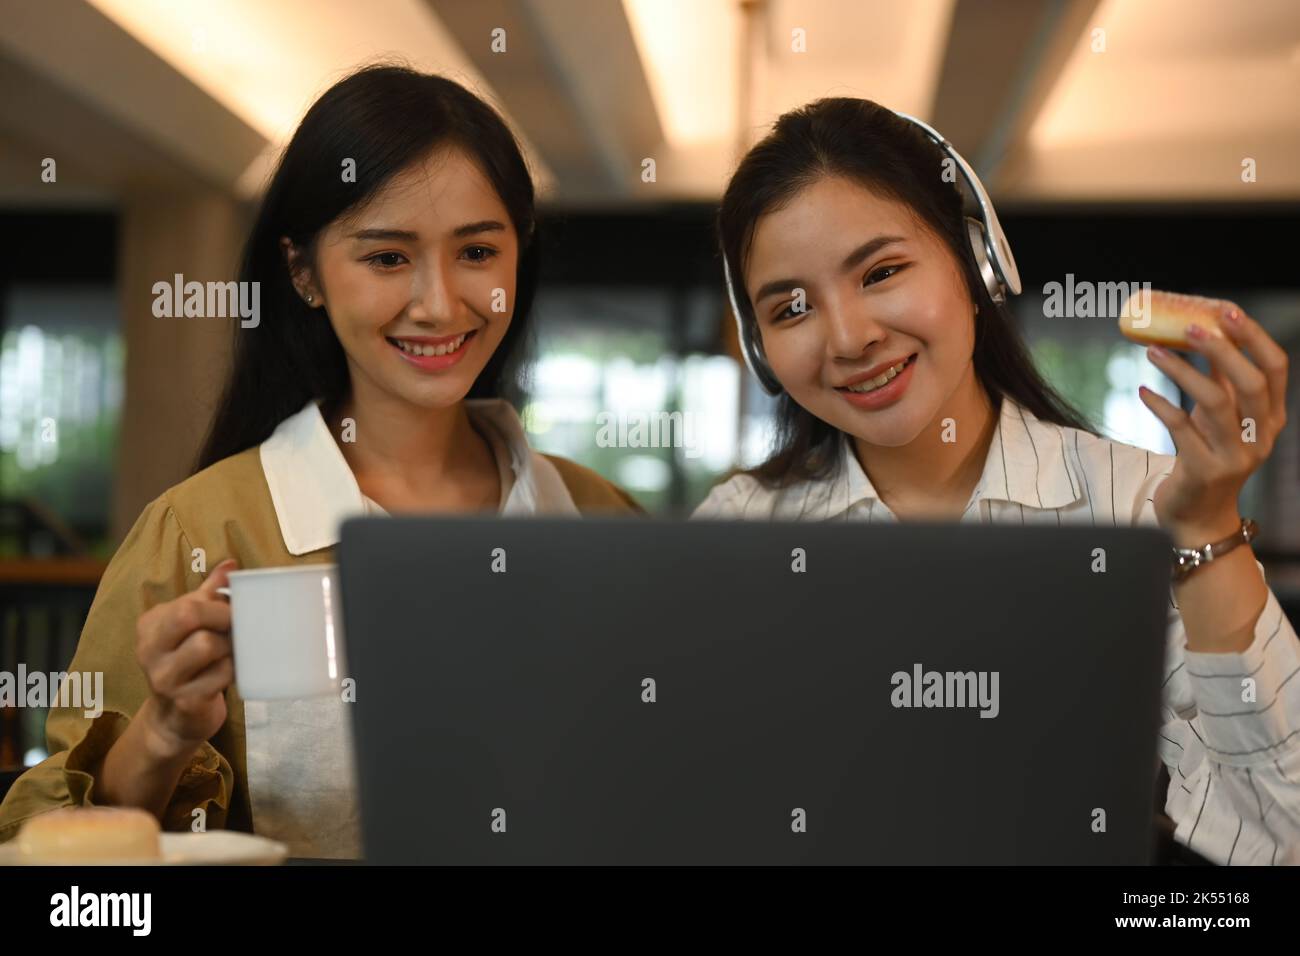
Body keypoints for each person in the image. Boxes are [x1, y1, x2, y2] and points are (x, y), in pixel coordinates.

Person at [0, 65, 640, 859]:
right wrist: (164, 731)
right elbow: (49, 853)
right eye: (386, 258)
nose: (439, 303)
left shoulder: (604, 521)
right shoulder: (197, 532)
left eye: (477, 251)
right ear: (303, 271)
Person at [695, 97, 1298, 865]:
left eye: (881, 271)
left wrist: (1207, 527)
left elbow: (1282, 838)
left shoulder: (1141, 504)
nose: (849, 338)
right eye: (792, 308)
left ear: (979, 264)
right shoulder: (739, 530)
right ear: (759, 346)